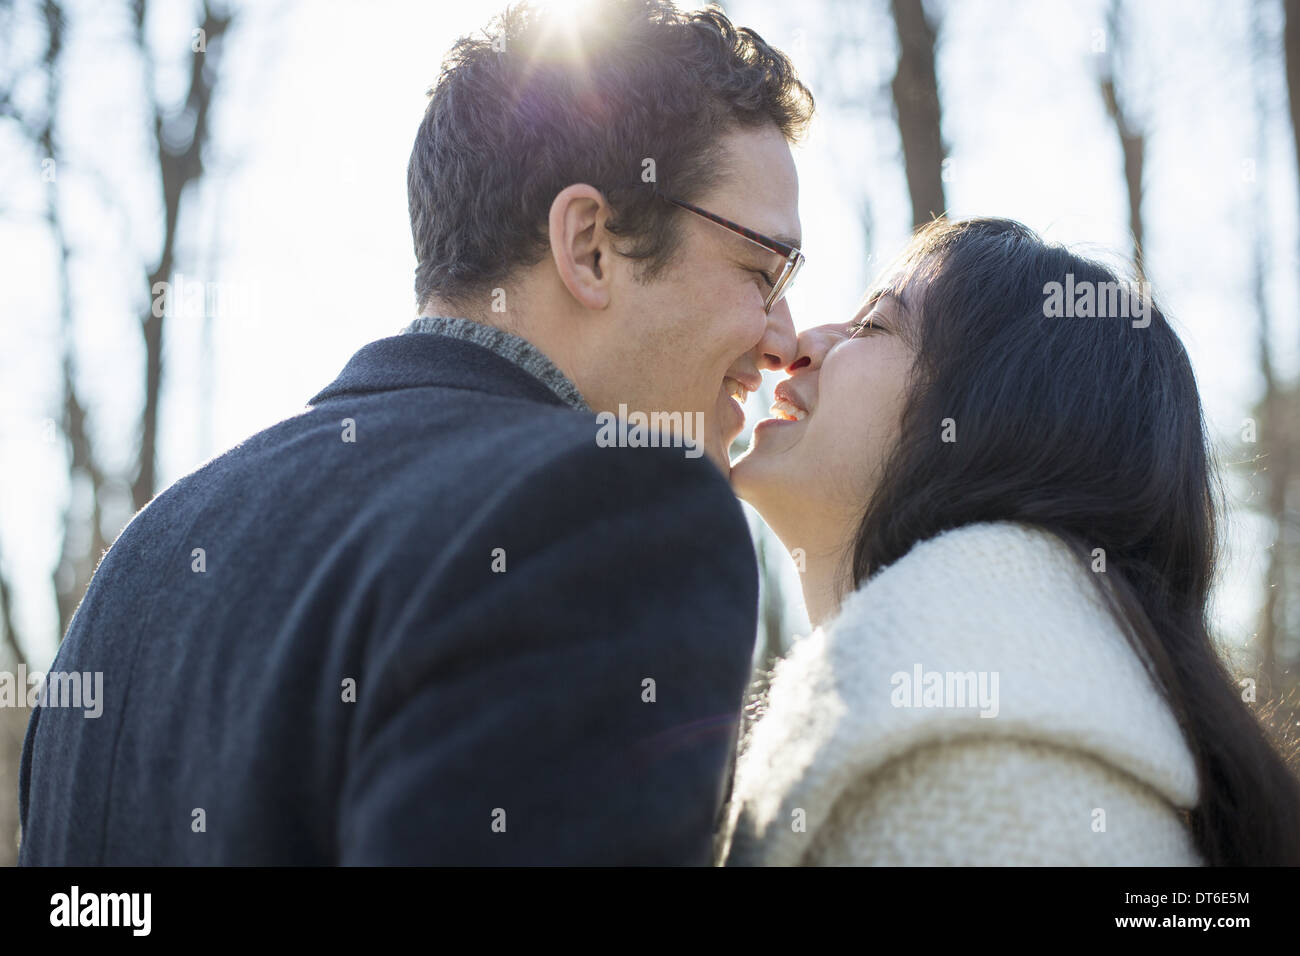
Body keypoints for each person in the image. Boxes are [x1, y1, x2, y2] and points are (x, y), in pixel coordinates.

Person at [19, 0, 812, 865]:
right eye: (761, 271)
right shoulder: (613, 517)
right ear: (590, 245)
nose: (784, 340)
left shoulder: (146, 557)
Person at [720, 217, 1300, 866]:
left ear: (995, 422)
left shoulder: (980, 780)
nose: (800, 344)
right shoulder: (979, 726)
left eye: (874, 325)